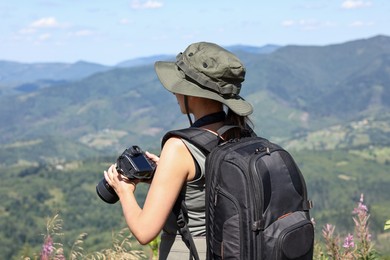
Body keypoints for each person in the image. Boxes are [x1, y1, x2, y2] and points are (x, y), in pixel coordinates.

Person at [103, 42, 254, 259]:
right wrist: (165, 175)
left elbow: (144, 232)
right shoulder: (240, 133)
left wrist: (123, 190)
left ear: (191, 93)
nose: (174, 92)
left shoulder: (179, 147)